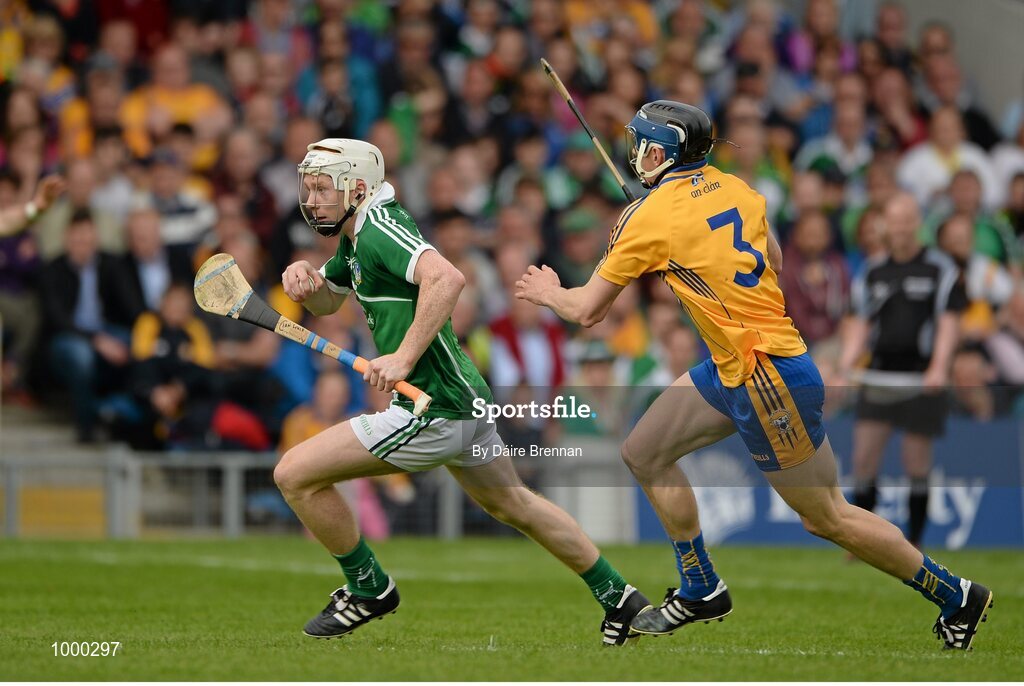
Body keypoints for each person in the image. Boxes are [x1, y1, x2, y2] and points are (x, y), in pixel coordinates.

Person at [515, 100, 993, 650]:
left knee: (828, 516)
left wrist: (548, 290)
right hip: (735, 365)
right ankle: (701, 587)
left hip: (767, 375)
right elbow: (776, 261)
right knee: (644, 451)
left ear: (662, 151)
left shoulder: (648, 218)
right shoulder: (737, 188)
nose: (635, 154)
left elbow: (587, 311)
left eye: (643, 144)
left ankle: (955, 595)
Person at [276, 137, 650, 646]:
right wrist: (305, 281)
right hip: (463, 397)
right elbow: (325, 303)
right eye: (310, 189)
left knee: (294, 475)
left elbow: (447, 278)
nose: (313, 199)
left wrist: (403, 358)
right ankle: (619, 596)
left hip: (432, 408)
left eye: (323, 189)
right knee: (515, 503)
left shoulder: (381, 228)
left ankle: (368, 588)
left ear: (357, 188)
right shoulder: (355, 237)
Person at [840, 193, 966, 549]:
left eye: (906, 219)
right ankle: (865, 544)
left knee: (916, 462)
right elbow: (860, 323)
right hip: (879, 376)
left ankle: (915, 542)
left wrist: (939, 367)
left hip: (920, 379)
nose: (899, 227)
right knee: (864, 458)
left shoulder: (939, 268)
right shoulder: (874, 269)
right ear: (885, 225)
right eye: (893, 220)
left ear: (917, 222)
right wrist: (846, 364)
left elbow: (948, 322)